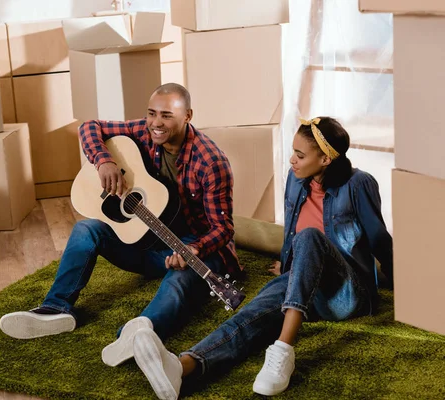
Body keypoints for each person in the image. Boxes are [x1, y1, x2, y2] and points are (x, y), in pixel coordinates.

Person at [131, 116, 394, 399]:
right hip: (307, 287)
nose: (292, 160)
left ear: (326, 160)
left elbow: (378, 238)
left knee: (308, 237)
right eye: (293, 151)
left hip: (348, 294)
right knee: (253, 313)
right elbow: (291, 230)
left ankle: (283, 350)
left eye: (300, 155)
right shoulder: (296, 179)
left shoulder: (359, 183)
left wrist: (400, 282)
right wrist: (292, 262)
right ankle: (184, 367)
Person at [0, 83, 240, 369]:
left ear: (188, 116)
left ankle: (140, 332)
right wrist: (104, 161)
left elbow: (223, 228)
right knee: (86, 229)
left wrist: (195, 247)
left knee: (180, 277)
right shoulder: (146, 130)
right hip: (145, 243)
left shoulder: (210, 161)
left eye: (166, 116)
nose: (156, 123)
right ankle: (56, 309)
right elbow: (90, 127)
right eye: (151, 114)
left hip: (191, 247)